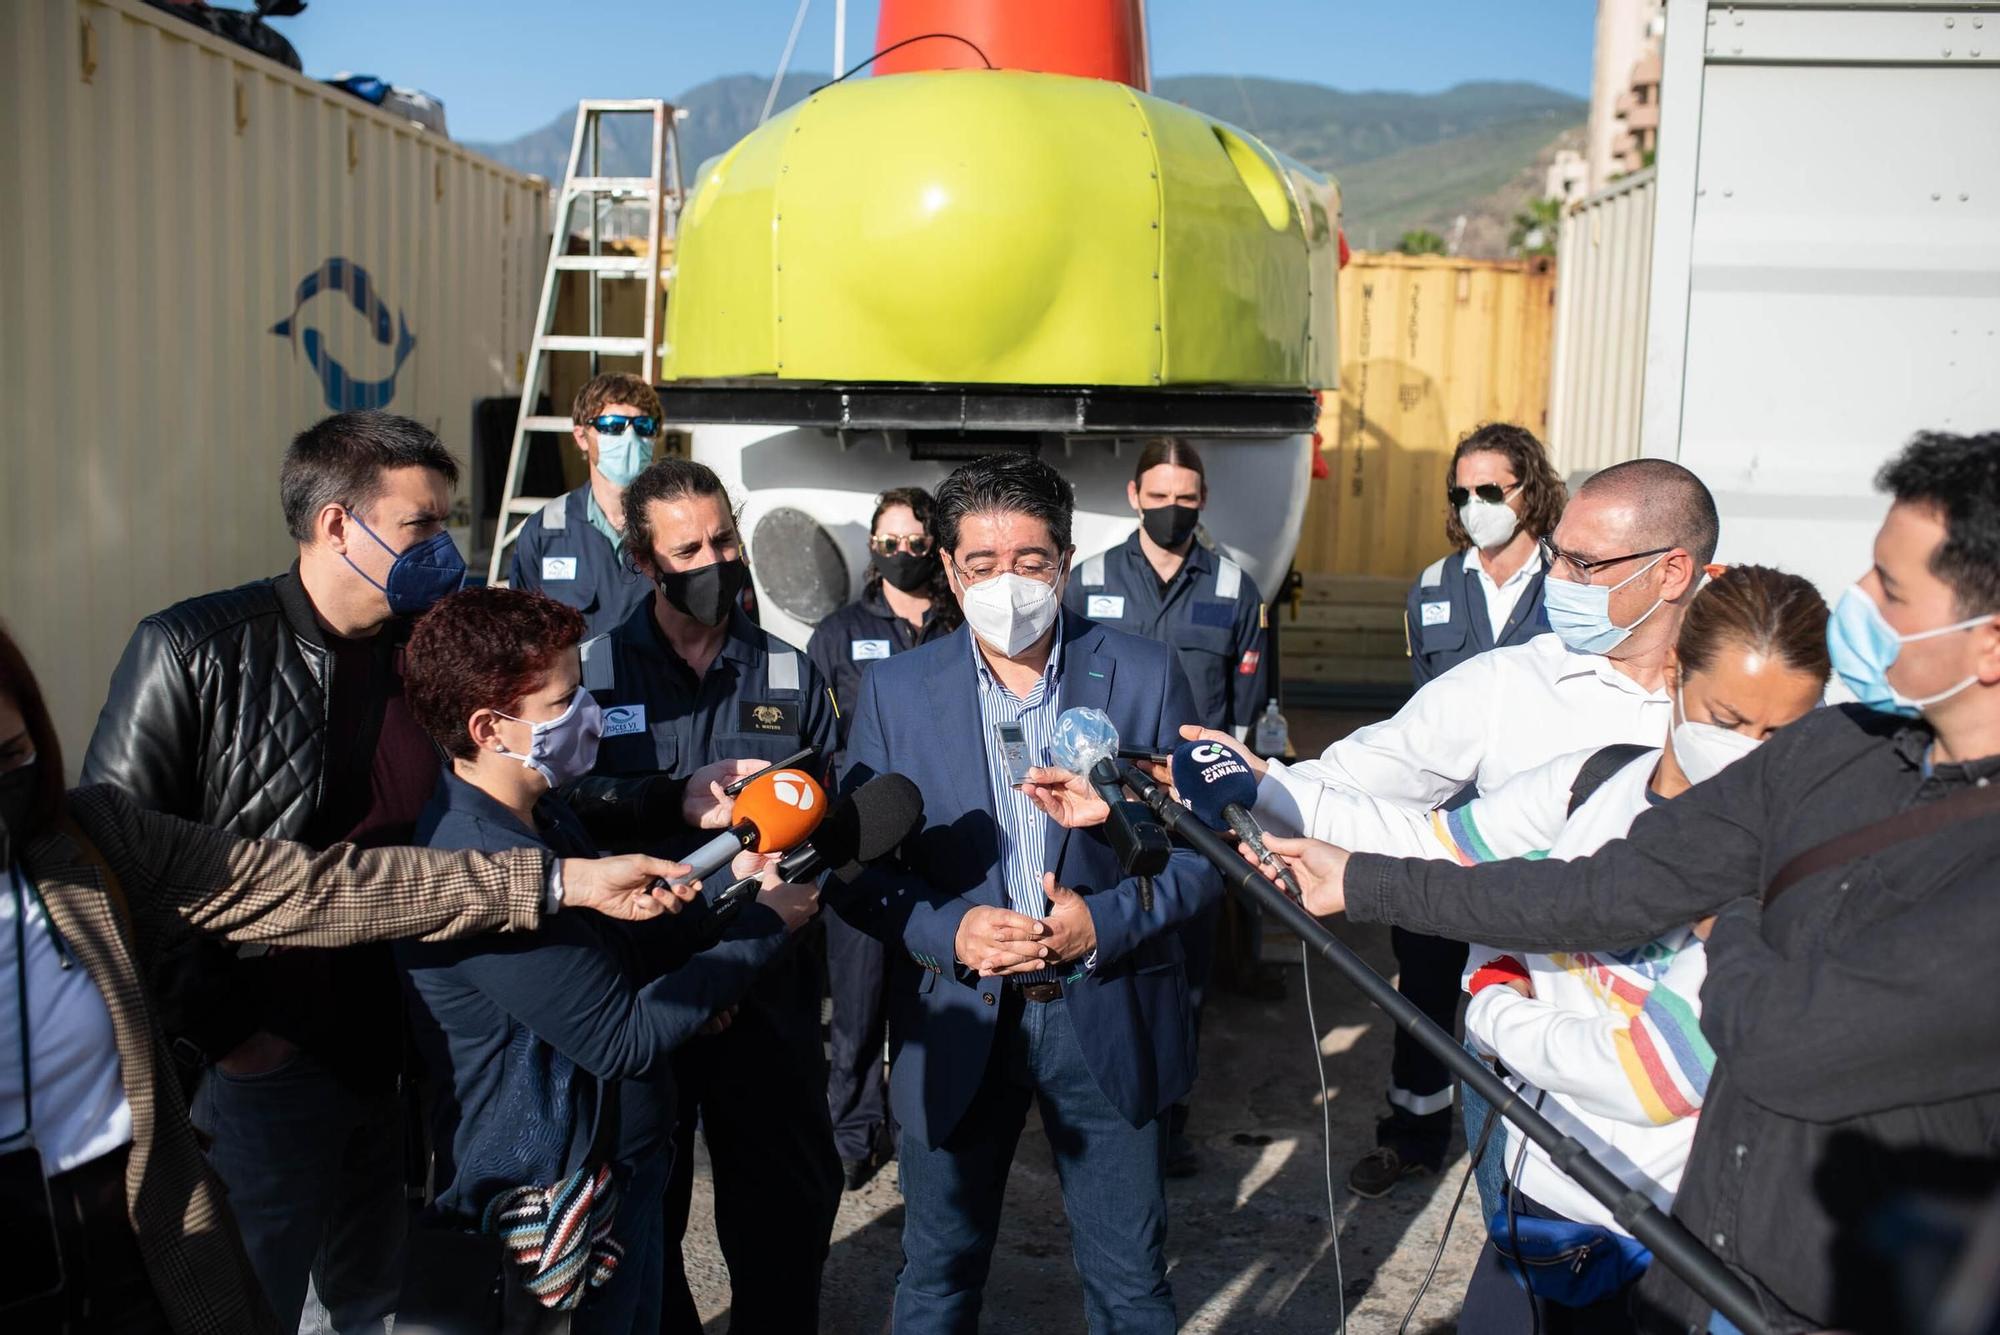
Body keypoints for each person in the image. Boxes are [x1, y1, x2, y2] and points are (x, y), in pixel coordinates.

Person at [1260, 431, 2000, 1334]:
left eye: (1889, 588)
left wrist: (1730, 935)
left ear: (1989, 644)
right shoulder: (1847, 754)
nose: (1857, 600)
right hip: (1713, 1265)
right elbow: (1604, 890)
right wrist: (1363, 883)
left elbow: (1780, 1040)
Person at [0, 620, 699, 1334]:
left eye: (14, 755)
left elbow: (319, 888)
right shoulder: (190, 649)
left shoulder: (86, 838)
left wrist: (555, 880)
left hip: (126, 1231)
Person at [1270, 567, 1828, 1332]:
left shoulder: (1791, 869)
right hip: (1546, 1208)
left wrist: (1493, 1010)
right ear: (1673, 675)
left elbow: (1651, 1075)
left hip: (1677, 1242)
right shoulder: (1590, 785)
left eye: (1781, 736)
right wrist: (1256, 789)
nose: (1749, 755)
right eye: (1726, 719)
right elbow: (1438, 847)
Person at [1183, 457, 1716, 1198]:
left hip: (1694, 1096)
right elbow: (1383, 801)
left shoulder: (1738, 704)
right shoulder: (1507, 686)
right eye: (1557, 553)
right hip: (1523, 1068)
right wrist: (1262, 787)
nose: (1556, 577)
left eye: (1584, 563)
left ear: (1672, 572)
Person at [80, 410, 477, 1332]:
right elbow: (115, 870)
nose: (444, 548)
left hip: (403, 1057)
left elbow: (512, 779)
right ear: (339, 524)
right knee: (245, 1302)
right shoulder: (193, 650)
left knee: (373, 1301)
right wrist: (232, 1035)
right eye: (424, 525)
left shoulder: (430, 652)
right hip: (262, 1066)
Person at [834, 452, 1221, 1334]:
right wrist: (947, 931)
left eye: (1031, 562)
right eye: (981, 565)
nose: (1007, 584)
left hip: (1106, 1006)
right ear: (948, 569)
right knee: (936, 1274)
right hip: (959, 1011)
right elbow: (855, 871)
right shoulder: (897, 691)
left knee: (1132, 1282)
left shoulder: (1146, 675)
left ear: (1069, 559)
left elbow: (1206, 857)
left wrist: (1106, 922)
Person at [397, 587, 818, 1334]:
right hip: (555, 1203)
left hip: (622, 1172)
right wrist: (763, 928)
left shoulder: (542, 810)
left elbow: (618, 948)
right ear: (491, 727)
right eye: (562, 699)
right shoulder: (476, 859)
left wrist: (709, 922)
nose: (585, 710)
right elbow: (618, 1034)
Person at [579, 457, 842, 1334]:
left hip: (764, 991)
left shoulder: (789, 672)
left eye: (723, 538)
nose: (715, 560)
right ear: (646, 564)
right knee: (639, 1224)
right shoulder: (592, 674)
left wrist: (780, 898)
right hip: (641, 993)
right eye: (687, 548)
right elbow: (563, 819)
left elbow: (829, 825)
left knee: (784, 1212)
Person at [1062, 436, 1275, 1175]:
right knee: (1103, 957)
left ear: (1203, 500)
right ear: (1133, 495)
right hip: (1101, 804)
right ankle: (1090, 1104)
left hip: (1189, 814)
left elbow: (1250, 710)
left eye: (1186, 498)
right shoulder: (1085, 581)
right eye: (1158, 496)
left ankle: (1169, 1118)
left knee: (1182, 973)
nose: (1172, 510)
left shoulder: (1233, 589)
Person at [1369, 422, 1565, 1200]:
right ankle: (1414, 1132)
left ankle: (1537, 1149)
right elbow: (1422, 715)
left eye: (1493, 489)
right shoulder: (1432, 587)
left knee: (1532, 987)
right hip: (1445, 832)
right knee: (1423, 983)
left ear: (1531, 489)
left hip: (1539, 835)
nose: (1476, 504)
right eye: (1463, 491)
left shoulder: (1572, 585)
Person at [805, 486, 960, 1192]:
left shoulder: (962, 629)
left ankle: (915, 1131)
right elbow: (817, 739)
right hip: (861, 842)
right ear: (871, 547)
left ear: (937, 547)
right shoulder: (837, 633)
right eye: (888, 542)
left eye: (915, 543)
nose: (902, 555)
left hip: (942, 835)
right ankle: (852, 1129)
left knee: (925, 998)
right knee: (858, 1002)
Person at [509, 373, 664, 638]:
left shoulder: (679, 525)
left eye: (643, 426)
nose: (630, 437)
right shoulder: (545, 530)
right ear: (581, 437)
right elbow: (521, 640)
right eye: (613, 425)